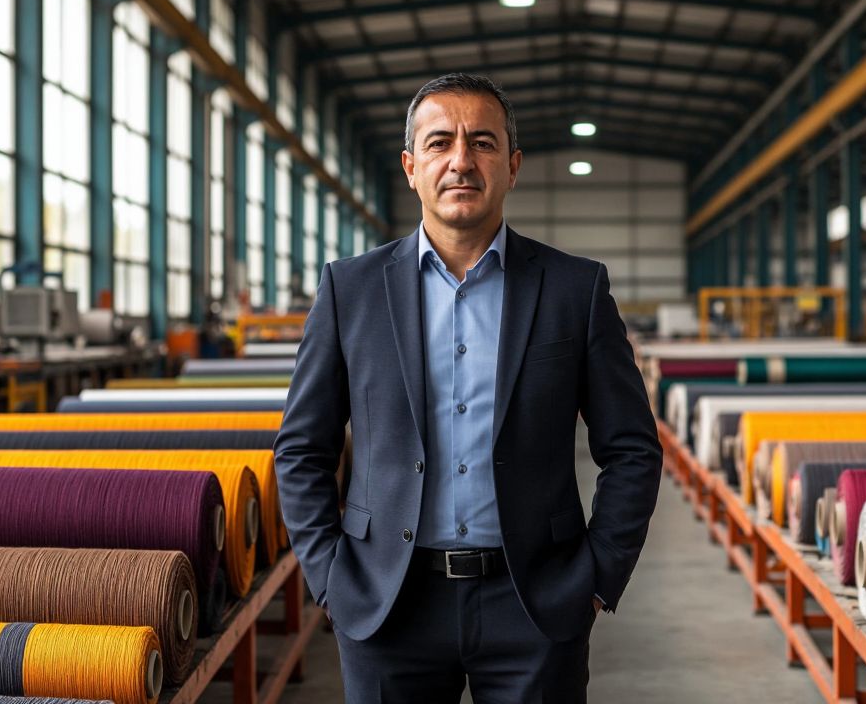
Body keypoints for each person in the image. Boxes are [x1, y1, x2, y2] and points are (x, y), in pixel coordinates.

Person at [274, 73, 661, 703]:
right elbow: (301, 450)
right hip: (386, 603)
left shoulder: (574, 290)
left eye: (481, 143)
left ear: (512, 166)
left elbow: (632, 449)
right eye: (439, 143)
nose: (460, 160)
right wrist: (331, 580)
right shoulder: (351, 290)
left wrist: (594, 578)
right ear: (410, 166)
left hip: (536, 600)